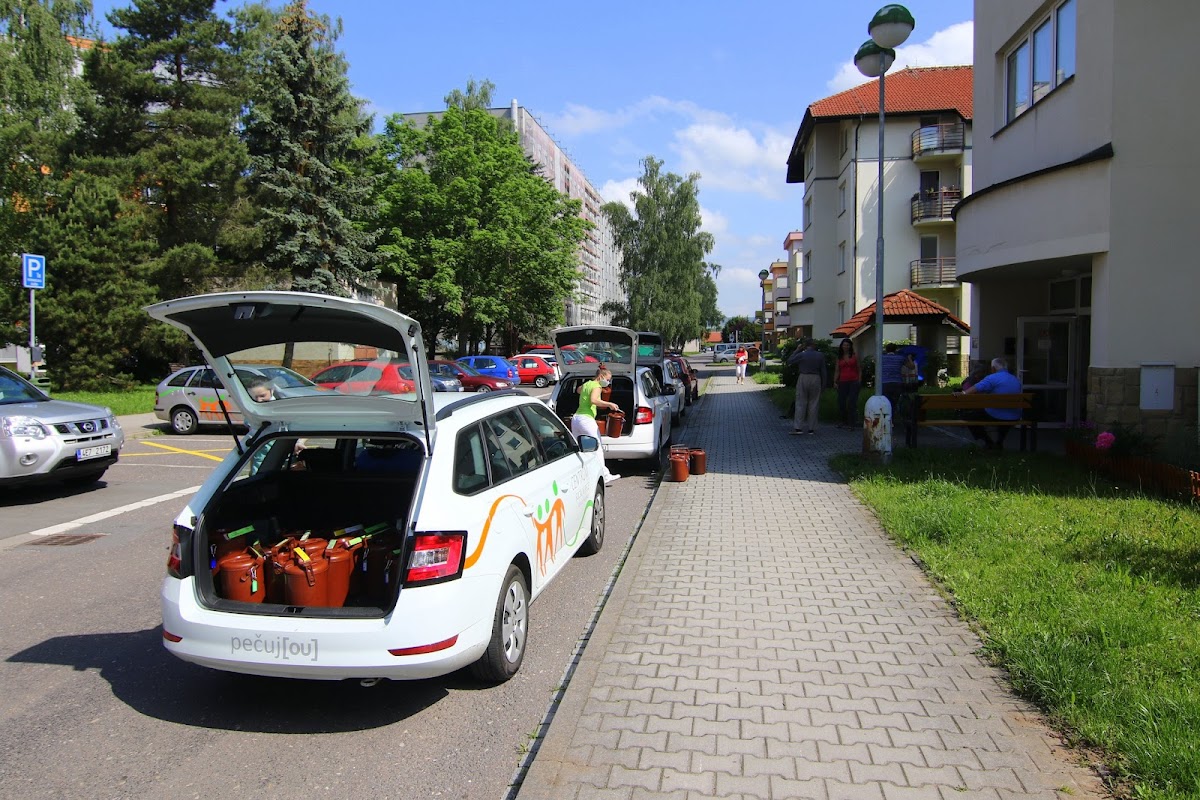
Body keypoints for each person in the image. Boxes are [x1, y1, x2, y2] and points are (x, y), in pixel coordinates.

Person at [957, 356, 1023, 450]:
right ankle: (999, 442)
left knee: (969, 416)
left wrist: (963, 393)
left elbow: (977, 387)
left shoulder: (992, 378)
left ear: (993, 368)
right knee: (1005, 414)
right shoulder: (1015, 379)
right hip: (1014, 415)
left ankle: (988, 442)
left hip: (996, 414)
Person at [571, 366, 622, 484]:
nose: (608, 382)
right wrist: (609, 404)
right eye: (607, 379)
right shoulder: (597, 386)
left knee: (580, 448)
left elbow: (578, 390)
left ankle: (582, 475)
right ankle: (605, 475)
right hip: (586, 420)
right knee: (597, 447)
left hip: (576, 418)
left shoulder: (588, 384)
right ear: (601, 376)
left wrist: (586, 391)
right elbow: (594, 400)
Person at [786, 340, 825, 435]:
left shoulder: (802, 355)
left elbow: (790, 361)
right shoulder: (820, 355)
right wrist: (824, 384)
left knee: (800, 402)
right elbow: (823, 370)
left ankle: (798, 427)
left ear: (805, 346)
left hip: (803, 376)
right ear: (814, 345)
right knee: (814, 403)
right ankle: (811, 428)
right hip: (816, 378)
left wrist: (797, 350)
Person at [834, 339, 860, 429]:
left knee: (852, 402)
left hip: (853, 380)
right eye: (844, 345)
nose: (846, 347)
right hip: (842, 380)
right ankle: (843, 420)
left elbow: (859, 368)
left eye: (847, 345)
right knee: (841, 402)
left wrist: (859, 380)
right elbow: (837, 370)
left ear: (850, 346)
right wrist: (835, 381)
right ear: (841, 346)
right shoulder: (839, 357)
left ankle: (852, 422)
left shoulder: (854, 356)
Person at [880, 343, 905, 410]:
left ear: (886, 349)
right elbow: (911, 366)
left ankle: (886, 416)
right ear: (895, 350)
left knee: (885, 401)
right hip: (897, 382)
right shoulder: (900, 358)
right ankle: (893, 415)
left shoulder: (881, 358)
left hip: (884, 381)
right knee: (894, 401)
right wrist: (909, 358)